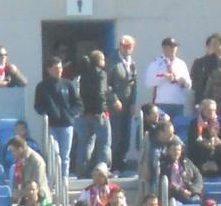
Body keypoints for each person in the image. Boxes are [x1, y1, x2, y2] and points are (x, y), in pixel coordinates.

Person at [34, 56, 81, 180]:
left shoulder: (68, 84)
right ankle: (54, 178)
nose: (59, 71)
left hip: (67, 125)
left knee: (65, 155)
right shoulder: (42, 86)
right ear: (49, 70)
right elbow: (38, 105)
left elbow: (78, 103)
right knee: (55, 153)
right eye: (56, 68)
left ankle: (64, 178)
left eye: (60, 68)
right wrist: (46, 113)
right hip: (51, 125)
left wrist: (71, 113)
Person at [76, 50, 113, 177]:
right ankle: (103, 169)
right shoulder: (101, 74)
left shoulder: (83, 75)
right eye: (102, 59)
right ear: (99, 61)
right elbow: (100, 92)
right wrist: (101, 109)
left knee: (86, 142)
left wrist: (85, 109)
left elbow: (82, 94)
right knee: (104, 142)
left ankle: (82, 170)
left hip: (86, 113)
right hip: (99, 113)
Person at [108, 35, 138, 170]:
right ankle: (114, 164)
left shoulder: (131, 62)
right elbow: (106, 84)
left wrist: (133, 102)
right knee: (116, 135)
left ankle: (122, 162)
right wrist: (114, 99)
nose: (127, 49)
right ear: (120, 46)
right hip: (115, 105)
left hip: (127, 103)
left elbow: (134, 84)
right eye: (125, 47)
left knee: (126, 135)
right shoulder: (112, 61)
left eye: (130, 47)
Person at [144, 37, 191, 119]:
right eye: (170, 47)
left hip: (178, 103)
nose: (173, 49)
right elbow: (148, 82)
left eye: (174, 47)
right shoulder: (156, 63)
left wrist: (183, 82)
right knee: (162, 125)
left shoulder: (181, 63)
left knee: (177, 125)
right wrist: (163, 77)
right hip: (162, 103)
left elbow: (189, 84)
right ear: (164, 48)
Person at [6, 136, 51, 203]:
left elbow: (37, 186)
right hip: (27, 200)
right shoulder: (19, 160)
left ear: (20, 149)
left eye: (13, 151)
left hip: (41, 201)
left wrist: (19, 193)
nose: (12, 154)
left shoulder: (37, 161)